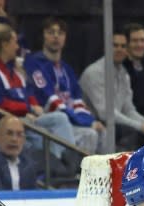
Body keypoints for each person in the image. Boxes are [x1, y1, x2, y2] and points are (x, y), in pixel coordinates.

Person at [0, 23, 82, 162]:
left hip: (27, 118)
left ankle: (64, 166)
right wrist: (28, 109)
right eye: (14, 42)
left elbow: (29, 94)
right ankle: (69, 164)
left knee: (52, 129)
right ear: (5, 45)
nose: (17, 47)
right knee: (58, 119)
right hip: (8, 120)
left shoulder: (17, 71)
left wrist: (35, 107)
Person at [24, 17, 103, 155]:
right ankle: (73, 173)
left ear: (65, 38)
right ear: (43, 36)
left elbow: (77, 101)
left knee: (100, 131)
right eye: (51, 32)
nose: (56, 36)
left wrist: (89, 121)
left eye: (60, 33)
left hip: (70, 120)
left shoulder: (67, 69)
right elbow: (51, 101)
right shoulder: (34, 63)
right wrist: (86, 123)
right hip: (48, 120)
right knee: (90, 133)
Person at [79, 29, 144, 151]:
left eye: (123, 46)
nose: (119, 49)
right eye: (115, 45)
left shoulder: (124, 73)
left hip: (115, 125)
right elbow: (105, 113)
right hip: (95, 124)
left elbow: (128, 109)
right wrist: (141, 127)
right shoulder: (94, 72)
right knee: (134, 134)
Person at [122, 22, 144, 118]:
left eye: (143, 40)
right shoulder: (120, 68)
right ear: (126, 44)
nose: (139, 45)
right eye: (135, 41)